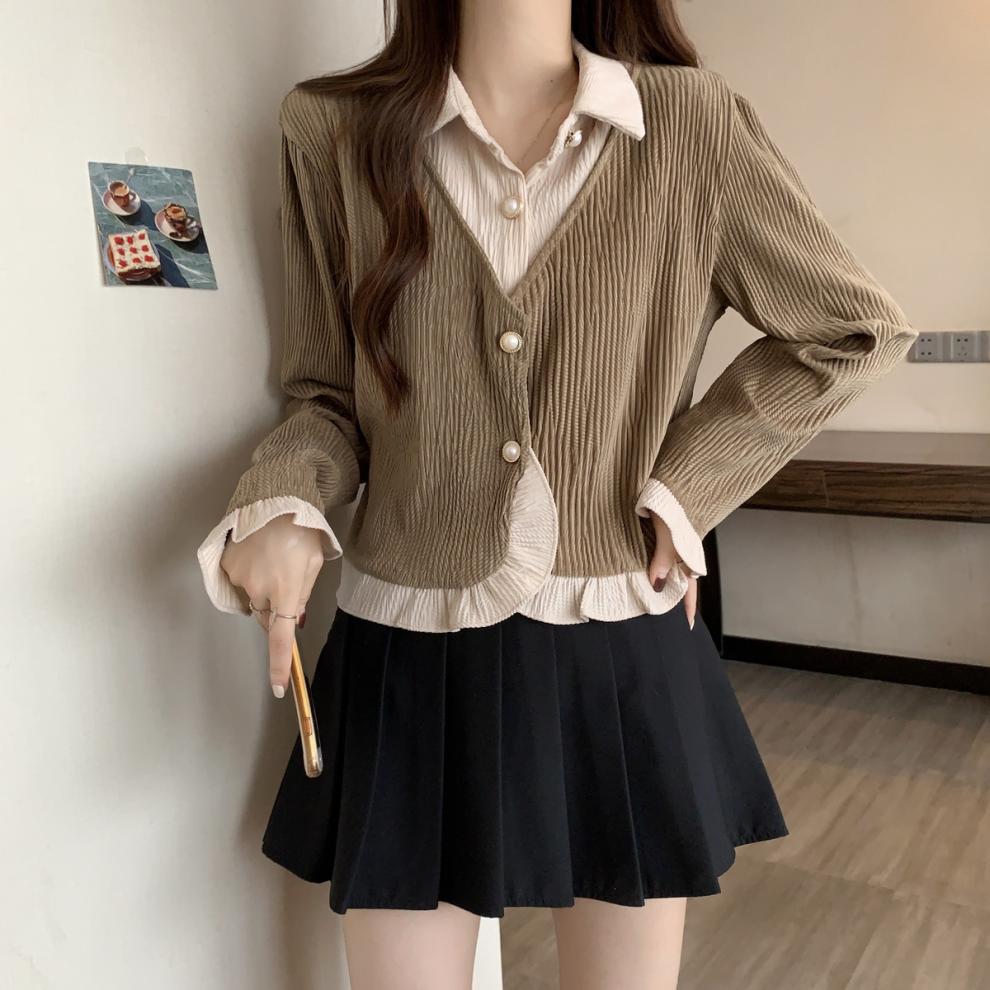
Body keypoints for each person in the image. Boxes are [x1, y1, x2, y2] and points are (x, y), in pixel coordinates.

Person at [196, 1, 918, 987]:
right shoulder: (331, 129)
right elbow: (324, 393)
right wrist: (285, 505)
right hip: (408, 646)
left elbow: (851, 330)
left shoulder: (689, 123)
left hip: (617, 641)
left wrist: (685, 489)